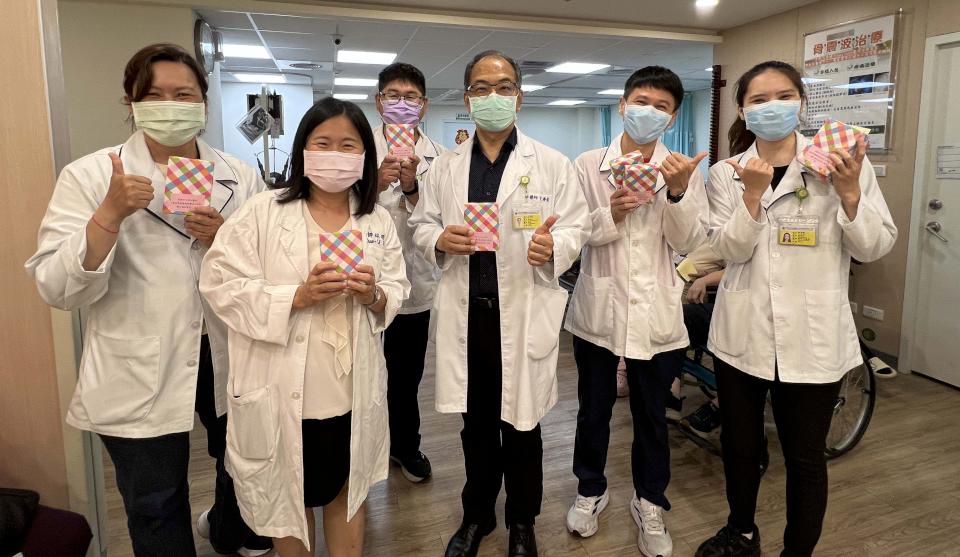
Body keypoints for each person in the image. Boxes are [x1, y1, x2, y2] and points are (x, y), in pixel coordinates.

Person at [24, 43, 269, 557]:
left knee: (243, 466)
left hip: (226, 349)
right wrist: (108, 216)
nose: (170, 105)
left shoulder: (238, 175)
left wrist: (223, 238)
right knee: (155, 501)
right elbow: (55, 285)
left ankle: (226, 530)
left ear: (204, 103)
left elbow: (267, 267)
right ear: (131, 102)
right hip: (139, 361)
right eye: (154, 95)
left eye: (184, 94)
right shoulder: (91, 176)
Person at [694, 61, 896, 557]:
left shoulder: (842, 165)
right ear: (743, 110)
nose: (773, 107)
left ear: (803, 103)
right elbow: (728, 250)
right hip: (742, 335)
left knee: (805, 459)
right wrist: (752, 196)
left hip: (813, 338)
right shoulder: (725, 173)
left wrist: (850, 196)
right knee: (741, 448)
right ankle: (740, 531)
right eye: (759, 100)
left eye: (784, 96)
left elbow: (874, 246)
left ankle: (797, 551)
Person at [199, 97, 410, 557]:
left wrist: (373, 295)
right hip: (280, 394)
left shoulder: (376, 219)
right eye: (323, 143)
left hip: (350, 394)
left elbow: (396, 287)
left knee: (346, 493)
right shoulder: (263, 211)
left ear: (365, 155)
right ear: (302, 150)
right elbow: (219, 283)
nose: (335, 154)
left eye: (348, 145)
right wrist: (296, 296)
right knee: (288, 503)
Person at [410, 50, 589, 557]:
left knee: (523, 427)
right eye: (482, 88)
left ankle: (523, 522)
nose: (494, 96)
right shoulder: (445, 168)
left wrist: (555, 246)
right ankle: (478, 515)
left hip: (524, 311)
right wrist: (438, 238)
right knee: (477, 426)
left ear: (519, 97)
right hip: (469, 316)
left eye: (505, 86)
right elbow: (421, 223)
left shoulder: (551, 164)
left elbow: (576, 226)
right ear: (468, 99)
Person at [563, 66, 709, 557]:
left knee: (652, 415)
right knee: (593, 410)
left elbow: (689, 241)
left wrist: (678, 192)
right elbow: (574, 232)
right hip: (598, 309)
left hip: (656, 314)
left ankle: (649, 500)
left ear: (673, 117)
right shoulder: (589, 165)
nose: (650, 112)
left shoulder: (681, 169)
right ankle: (590, 488)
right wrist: (613, 213)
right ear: (623, 105)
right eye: (641, 102)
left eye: (661, 107)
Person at [372, 62, 446, 483]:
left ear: (424, 105)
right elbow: (334, 209)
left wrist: (413, 188)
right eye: (393, 95)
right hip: (364, 281)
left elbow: (441, 218)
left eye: (411, 97)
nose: (402, 103)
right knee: (359, 373)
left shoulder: (442, 158)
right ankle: (361, 448)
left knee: (405, 376)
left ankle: (404, 445)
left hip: (416, 283)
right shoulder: (359, 148)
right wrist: (374, 185)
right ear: (378, 101)